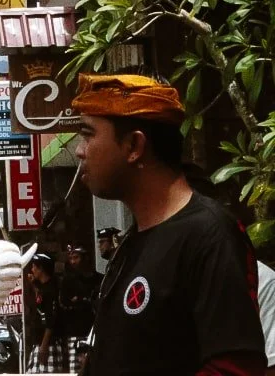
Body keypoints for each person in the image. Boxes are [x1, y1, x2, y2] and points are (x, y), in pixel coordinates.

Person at [74, 72, 266, 376]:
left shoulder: (209, 234)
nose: (79, 150)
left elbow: (234, 368)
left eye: (88, 134)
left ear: (134, 146)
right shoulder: (131, 242)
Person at [25, 250, 62, 372]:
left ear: (41, 269)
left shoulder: (51, 290)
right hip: (38, 341)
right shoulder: (41, 287)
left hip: (48, 344)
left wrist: (44, 345)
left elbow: (51, 319)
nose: (32, 270)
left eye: (34, 267)